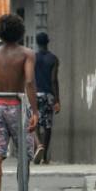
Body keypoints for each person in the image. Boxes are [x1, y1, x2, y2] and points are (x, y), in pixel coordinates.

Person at [0, 14, 39, 191]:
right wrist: (35, 111)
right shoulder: (27, 54)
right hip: (16, 105)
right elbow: (30, 81)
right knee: (24, 153)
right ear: (20, 31)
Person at [33, 32, 59, 164]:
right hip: (48, 95)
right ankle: (44, 157)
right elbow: (54, 80)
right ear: (47, 42)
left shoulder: (32, 58)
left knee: (35, 122)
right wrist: (57, 100)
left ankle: (38, 146)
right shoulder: (53, 59)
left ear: (37, 43)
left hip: (35, 94)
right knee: (48, 125)